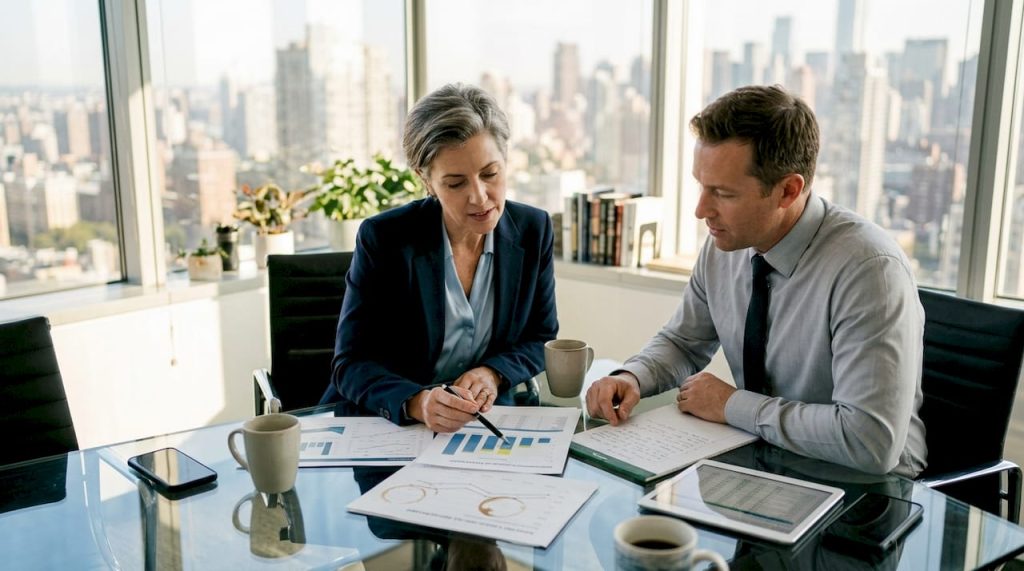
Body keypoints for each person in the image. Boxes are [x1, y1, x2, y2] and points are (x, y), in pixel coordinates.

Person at [585, 85, 927, 477]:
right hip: (764, 462)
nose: (701, 210)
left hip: (869, 495)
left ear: (788, 190)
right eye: (701, 185)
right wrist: (634, 376)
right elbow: (683, 342)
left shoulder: (870, 271)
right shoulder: (724, 245)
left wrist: (732, 405)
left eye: (723, 193)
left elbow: (869, 442)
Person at [323, 83, 558, 432]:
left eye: (490, 174)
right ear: (426, 180)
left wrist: (492, 373)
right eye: (455, 183)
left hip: (481, 425)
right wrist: (417, 402)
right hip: (386, 427)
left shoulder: (533, 229)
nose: (480, 197)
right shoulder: (385, 239)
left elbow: (542, 336)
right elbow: (351, 363)